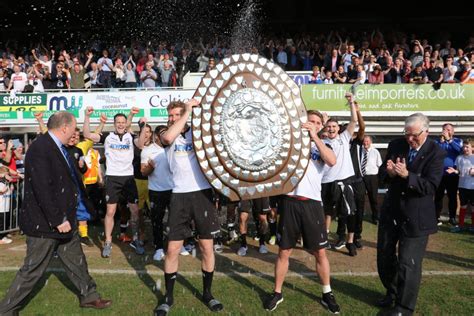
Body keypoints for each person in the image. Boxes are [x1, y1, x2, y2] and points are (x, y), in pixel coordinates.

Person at [0, 111, 112, 315]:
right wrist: (57, 219)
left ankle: (89, 296)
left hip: (65, 220)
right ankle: (6, 309)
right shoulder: (41, 148)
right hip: (45, 223)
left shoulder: (59, 148)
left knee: (77, 261)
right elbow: (43, 187)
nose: (74, 131)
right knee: (32, 269)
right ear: (64, 127)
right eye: (73, 126)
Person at [264, 110, 339, 313]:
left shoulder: (324, 144)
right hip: (289, 202)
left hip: (312, 204)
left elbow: (331, 161)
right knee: (284, 251)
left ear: (320, 126)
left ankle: (326, 293)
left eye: (316, 122)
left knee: (320, 252)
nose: (312, 124)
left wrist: (315, 136)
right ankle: (277, 292)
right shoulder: (291, 143)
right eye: (309, 121)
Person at [155, 100, 223, 315]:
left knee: (206, 247)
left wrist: (192, 112)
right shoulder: (167, 134)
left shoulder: (200, 134)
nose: (173, 118)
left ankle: (208, 293)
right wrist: (187, 111)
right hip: (179, 196)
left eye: (177, 114)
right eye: (171, 115)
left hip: (202, 195)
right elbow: (166, 137)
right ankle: (168, 297)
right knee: (173, 249)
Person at [377, 113, 445, 315]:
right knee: (384, 257)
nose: (410, 139)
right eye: (407, 134)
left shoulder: (436, 152)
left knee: (409, 263)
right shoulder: (397, 144)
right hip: (392, 211)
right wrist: (388, 174)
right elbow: (382, 173)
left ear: (426, 132)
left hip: (416, 216)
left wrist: (408, 176)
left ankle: (404, 307)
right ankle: (393, 292)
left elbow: (431, 186)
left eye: (414, 135)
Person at [83, 106, 146, 257]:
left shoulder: (130, 136)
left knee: (135, 211)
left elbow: (141, 144)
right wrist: (87, 117)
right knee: (110, 211)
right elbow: (86, 134)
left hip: (128, 178)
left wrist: (143, 127)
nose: (120, 124)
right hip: (112, 177)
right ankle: (108, 242)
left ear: (126, 123)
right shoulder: (107, 136)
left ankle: (136, 240)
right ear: (114, 123)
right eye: (118, 122)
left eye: (123, 122)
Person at [321, 94, 358, 253]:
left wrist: (351, 103)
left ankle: (350, 241)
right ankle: (324, 238)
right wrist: (322, 122)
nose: (331, 129)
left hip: (344, 181)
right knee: (326, 212)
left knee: (349, 213)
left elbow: (354, 121)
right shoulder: (321, 142)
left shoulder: (344, 138)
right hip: (326, 182)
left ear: (338, 128)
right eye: (328, 126)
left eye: (334, 126)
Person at [141, 125, 173, 261]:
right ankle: (159, 248)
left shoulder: (173, 148)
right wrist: (150, 167)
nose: (165, 136)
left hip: (174, 190)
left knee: (176, 220)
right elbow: (143, 172)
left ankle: (178, 245)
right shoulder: (148, 151)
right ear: (156, 136)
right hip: (156, 191)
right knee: (157, 221)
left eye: (167, 133)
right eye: (162, 133)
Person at [434, 123, 463, 226]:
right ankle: (436, 217)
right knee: (438, 196)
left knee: (452, 196)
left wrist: (449, 141)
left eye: (449, 130)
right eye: (445, 129)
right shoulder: (436, 142)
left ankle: (452, 217)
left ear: (453, 131)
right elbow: (433, 153)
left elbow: (460, 151)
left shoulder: (458, 141)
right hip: (439, 174)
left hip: (452, 174)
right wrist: (441, 142)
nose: (447, 131)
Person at [449, 140, 474, 233]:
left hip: (472, 187)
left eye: (467, 147)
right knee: (462, 206)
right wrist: (455, 171)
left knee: (472, 207)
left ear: (472, 147)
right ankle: (461, 225)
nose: (465, 148)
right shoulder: (459, 158)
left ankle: (473, 226)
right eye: (464, 147)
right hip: (462, 186)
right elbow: (459, 171)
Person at [361, 135, 383, 224]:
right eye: (364, 141)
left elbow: (379, 164)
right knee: (360, 197)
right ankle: (360, 216)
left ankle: (375, 217)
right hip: (362, 177)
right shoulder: (360, 151)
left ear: (370, 142)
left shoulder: (375, 152)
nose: (365, 143)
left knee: (373, 198)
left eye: (367, 141)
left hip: (372, 177)